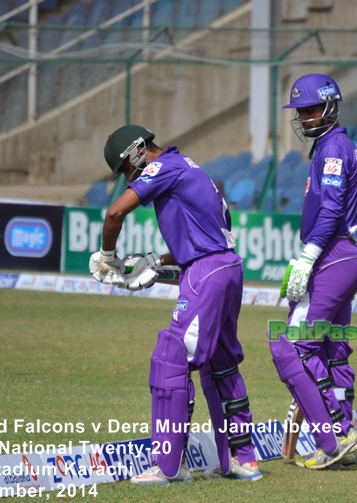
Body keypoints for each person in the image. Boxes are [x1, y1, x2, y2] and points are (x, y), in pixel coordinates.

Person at [91, 124, 261, 484]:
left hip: (206, 273)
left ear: (137, 152)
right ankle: (241, 460)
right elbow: (216, 235)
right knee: (222, 362)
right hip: (228, 266)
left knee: (172, 359)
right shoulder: (190, 166)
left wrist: (108, 257)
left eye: (124, 169)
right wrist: (158, 261)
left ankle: (170, 467)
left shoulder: (161, 167)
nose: (127, 178)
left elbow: (115, 214)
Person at [270, 73, 357, 470]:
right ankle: (347, 431)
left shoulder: (331, 149)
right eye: (300, 111)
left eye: (310, 109)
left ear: (329, 106)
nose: (304, 118)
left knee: (296, 345)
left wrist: (308, 257)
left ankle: (335, 435)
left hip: (331, 254)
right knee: (333, 351)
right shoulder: (335, 145)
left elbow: (329, 211)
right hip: (346, 257)